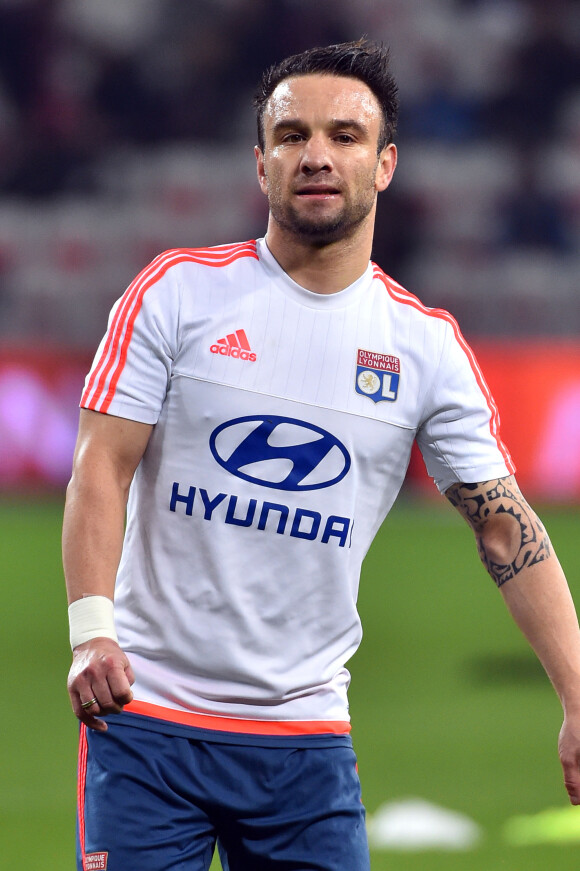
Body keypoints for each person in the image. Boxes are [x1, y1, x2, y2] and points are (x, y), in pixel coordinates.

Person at [63, 38, 580, 871]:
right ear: (260, 161)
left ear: (386, 165)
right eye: (294, 134)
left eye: (345, 136)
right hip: (148, 719)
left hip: (305, 741)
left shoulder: (425, 348)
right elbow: (100, 465)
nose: (317, 155)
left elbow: (503, 527)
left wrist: (578, 696)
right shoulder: (178, 293)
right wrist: (92, 633)